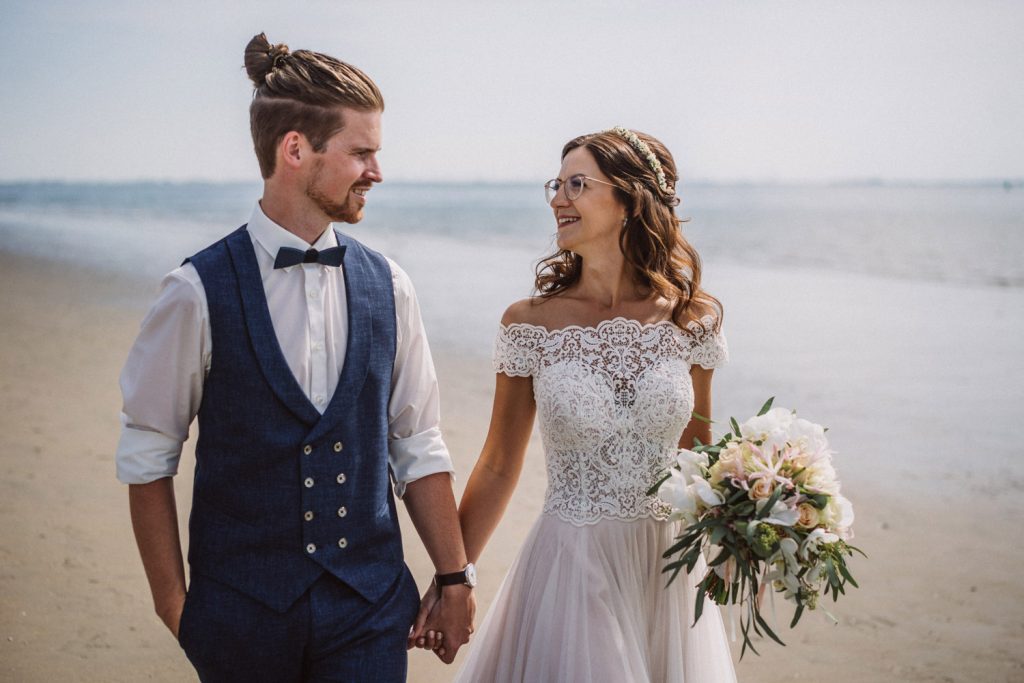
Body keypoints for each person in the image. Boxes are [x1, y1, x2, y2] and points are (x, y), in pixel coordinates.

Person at [116, 33, 474, 682]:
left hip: (369, 614)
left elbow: (417, 442)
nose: (376, 171)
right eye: (361, 152)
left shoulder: (390, 287)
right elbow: (148, 454)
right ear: (295, 150)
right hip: (240, 620)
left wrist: (454, 577)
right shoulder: (195, 291)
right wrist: (176, 609)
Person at [449, 128, 738, 681]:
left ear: (630, 200)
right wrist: (454, 577)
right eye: (556, 185)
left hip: (667, 569)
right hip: (572, 563)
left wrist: (740, 530)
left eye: (577, 184)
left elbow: (698, 452)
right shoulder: (529, 324)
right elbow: (498, 463)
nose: (558, 199)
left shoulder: (692, 319)